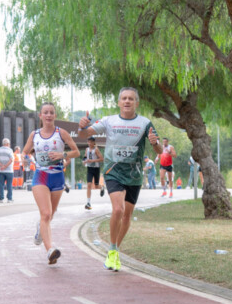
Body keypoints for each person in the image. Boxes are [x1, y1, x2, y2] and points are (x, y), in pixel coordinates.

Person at [78, 87, 162, 271]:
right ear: (118, 102)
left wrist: (155, 143)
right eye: (124, 98)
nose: (127, 101)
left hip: (134, 174)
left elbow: (160, 150)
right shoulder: (109, 121)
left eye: (131, 98)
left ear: (136, 103)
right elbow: (84, 134)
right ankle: (112, 249)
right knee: (118, 209)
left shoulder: (145, 123)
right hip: (113, 171)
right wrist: (82, 126)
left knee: (127, 215)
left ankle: (114, 249)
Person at [22, 102, 80, 265]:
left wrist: (62, 155)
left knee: (50, 215)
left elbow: (76, 152)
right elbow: (25, 152)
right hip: (40, 176)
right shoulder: (34, 135)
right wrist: (26, 159)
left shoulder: (61, 133)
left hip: (57, 177)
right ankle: (50, 251)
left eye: (51, 112)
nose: (48, 115)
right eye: (45, 112)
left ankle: (40, 229)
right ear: (40, 116)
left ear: (55, 115)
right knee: (46, 214)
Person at [83, 136, 105, 210]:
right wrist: (84, 161)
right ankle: (88, 202)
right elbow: (85, 157)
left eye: (91, 142)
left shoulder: (96, 149)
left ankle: (102, 187)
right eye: (88, 142)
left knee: (96, 186)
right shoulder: (87, 149)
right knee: (89, 184)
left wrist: (92, 161)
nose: (89, 143)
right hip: (89, 168)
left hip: (96, 169)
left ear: (93, 142)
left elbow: (101, 159)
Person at [0, 138, 14, 203]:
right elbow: (11, 160)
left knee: (1, 185)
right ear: (8, 144)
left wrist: (1, 165)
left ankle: (1, 199)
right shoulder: (10, 150)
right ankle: (9, 199)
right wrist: (5, 166)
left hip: (0, 170)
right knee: (9, 185)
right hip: (9, 171)